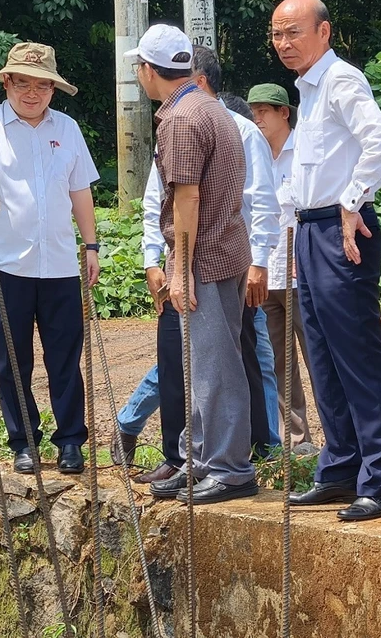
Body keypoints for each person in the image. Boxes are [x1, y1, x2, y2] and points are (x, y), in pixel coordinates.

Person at [112, 52, 282, 480]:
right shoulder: (210, 115)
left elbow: (189, 200)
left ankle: (229, 466)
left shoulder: (185, 119)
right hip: (216, 257)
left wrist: (182, 269)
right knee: (196, 363)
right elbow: (161, 198)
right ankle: (199, 459)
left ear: (149, 71)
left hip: (206, 261)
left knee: (223, 364)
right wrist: (157, 259)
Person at [271, 0, 381, 521]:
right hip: (310, 233)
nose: (284, 43)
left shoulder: (342, 81)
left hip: (341, 231)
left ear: (324, 33)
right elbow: (303, 174)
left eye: (294, 32)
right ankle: (341, 469)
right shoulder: (309, 89)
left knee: (358, 356)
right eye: (277, 35)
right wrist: (289, 235)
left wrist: (352, 202)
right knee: (323, 357)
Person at [0, 42, 99, 475]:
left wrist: (91, 246)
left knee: (64, 358)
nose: (32, 93)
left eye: (42, 86)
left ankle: (70, 441)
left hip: (58, 265)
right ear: (7, 83)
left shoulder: (66, 129)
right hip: (5, 264)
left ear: (53, 89)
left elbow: (80, 190)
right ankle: (24, 442)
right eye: (23, 83)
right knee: (12, 360)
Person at [247, 83, 315, 446]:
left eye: (264, 110)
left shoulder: (302, 151)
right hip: (263, 273)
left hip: (300, 271)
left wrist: (304, 254)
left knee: (319, 357)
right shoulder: (249, 154)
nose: (257, 117)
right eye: (253, 110)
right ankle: (296, 441)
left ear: (283, 113)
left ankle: (341, 439)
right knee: (278, 363)